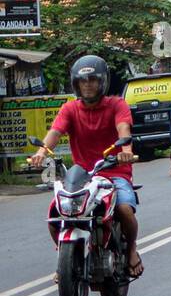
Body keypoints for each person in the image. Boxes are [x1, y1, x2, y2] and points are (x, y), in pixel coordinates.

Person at [28, 55, 143, 280]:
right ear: (76, 84)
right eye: (83, 81)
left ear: (102, 82)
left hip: (113, 171)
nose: (88, 84)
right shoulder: (70, 109)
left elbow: (123, 130)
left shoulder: (116, 105)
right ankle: (66, 258)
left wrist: (125, 150)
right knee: (55, 214)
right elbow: (55, 132)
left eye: (92, 79)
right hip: (81, 176)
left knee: (124, 210)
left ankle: (131, 250)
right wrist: (41, 152)